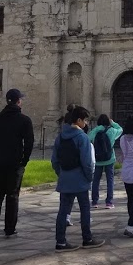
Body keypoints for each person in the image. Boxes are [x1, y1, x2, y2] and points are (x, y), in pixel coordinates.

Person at [52, 105, 105, 251]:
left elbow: (54, 160)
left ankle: (60, 241)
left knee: (63, 210)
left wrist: (61, 174)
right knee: (85, 209)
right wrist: (89, 177)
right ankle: (87, 238)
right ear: (79, 120)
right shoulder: (82, 137)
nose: (86, 123)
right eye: (85, 120)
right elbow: (87, 162)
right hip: (80, 179)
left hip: (65, 178)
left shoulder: (60, 137)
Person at [0, 88, 34, 240]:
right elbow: (29, 142)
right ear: (19, 101)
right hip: (15, 162)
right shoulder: (24, 120)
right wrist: (24, 160)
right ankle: (9, 228)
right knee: (12, 195)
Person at [88, 113, 122, 209]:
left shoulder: (95, 130)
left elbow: (88, 138)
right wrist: (113, 123)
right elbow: (120, 130)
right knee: (110, 180)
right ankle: (109, 202)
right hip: (109, 158)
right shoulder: (112, 131)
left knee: (96, 180)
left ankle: (95, 201)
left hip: (98, 159)